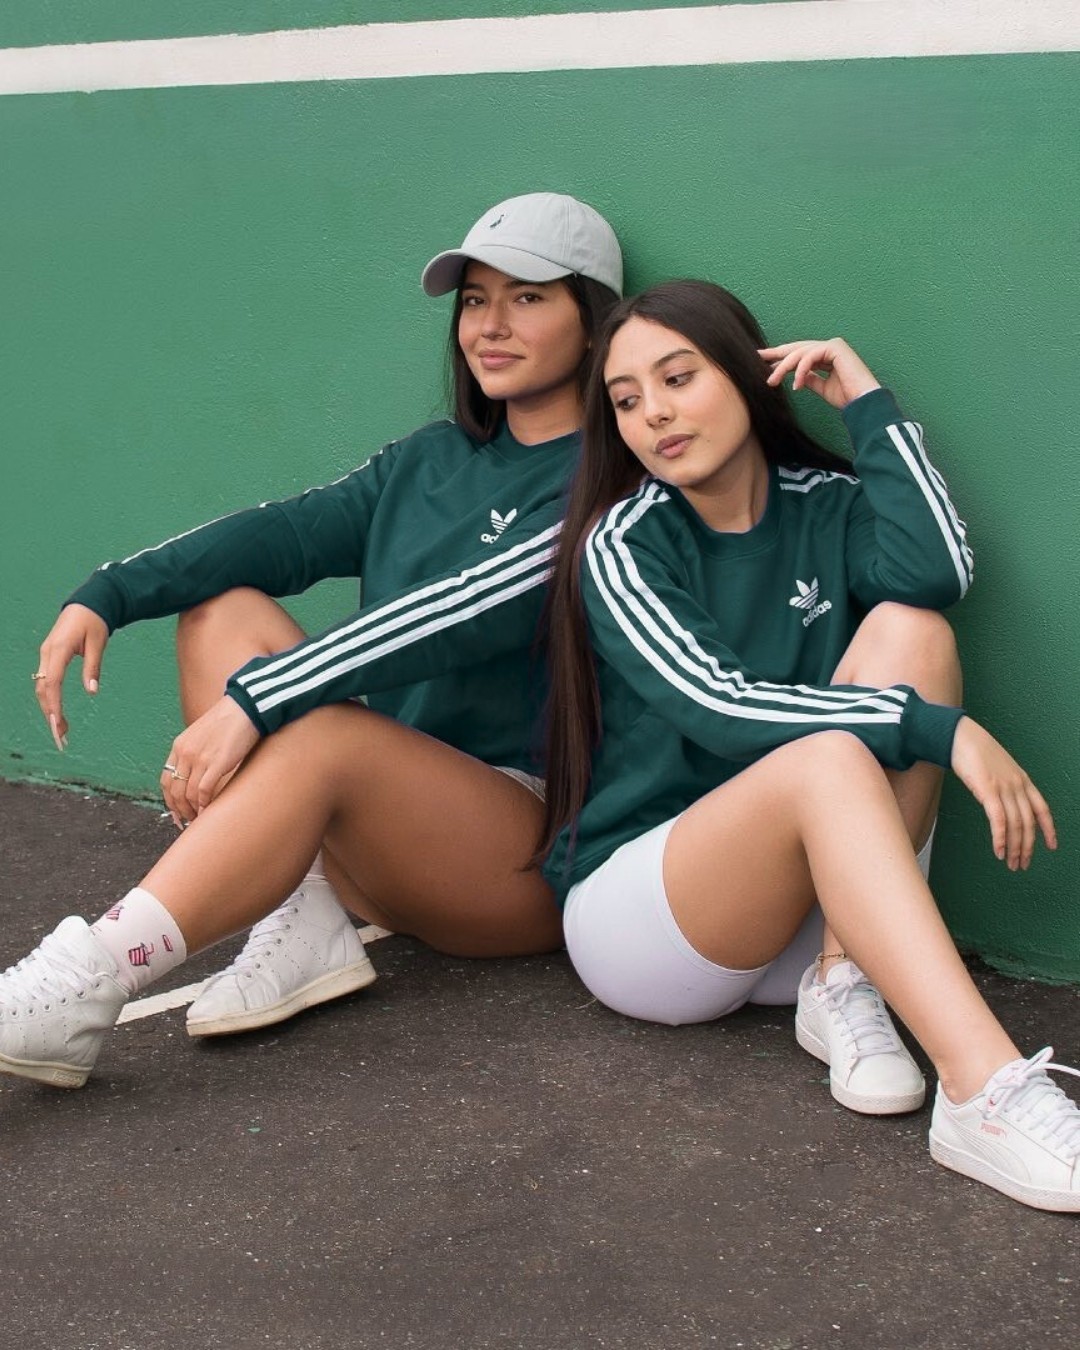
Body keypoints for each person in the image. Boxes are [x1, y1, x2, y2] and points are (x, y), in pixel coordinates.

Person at [1, 192, 621, 1073]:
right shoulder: (433, 458)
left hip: (519, 855)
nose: (490, 325)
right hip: (383, 833)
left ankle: (83, 983)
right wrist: (108, 594)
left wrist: (260, 701)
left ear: (593, 324)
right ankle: (306, 909)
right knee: (221, 611)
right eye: (475, 300)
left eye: (527, 298)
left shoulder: (612, 483)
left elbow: (454, 618)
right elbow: (286, 532)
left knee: (321, 731)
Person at [536, 279, 1080, 1211]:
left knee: (915, 631)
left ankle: (844, 980)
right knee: (827, 754)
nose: (653, 413)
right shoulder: (624, 543)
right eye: (626, 400)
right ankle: (983, 1092)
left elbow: (938, 572)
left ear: (750, 378)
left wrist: (867, 403)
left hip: (810, 926)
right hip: (654, 925)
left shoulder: (827, 505)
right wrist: (940, 731)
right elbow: (719, 705)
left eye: (678, 378)